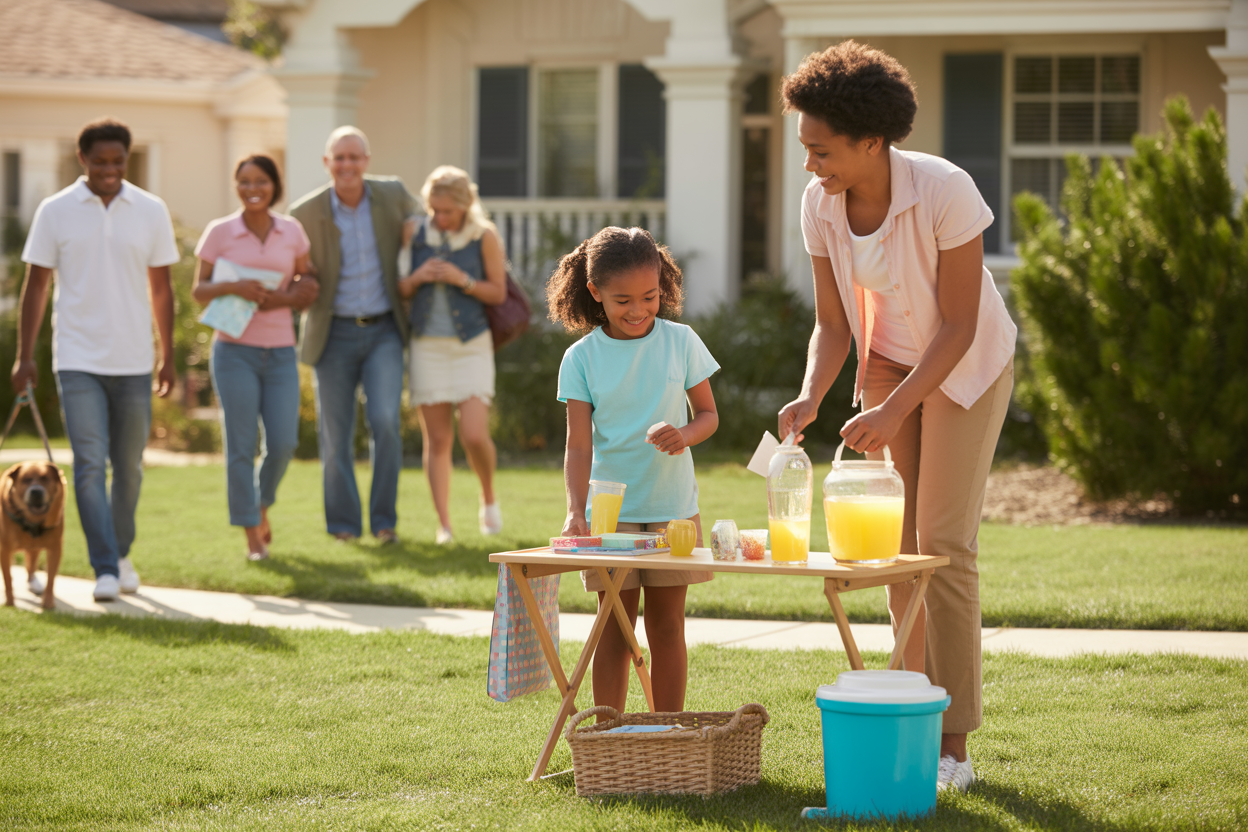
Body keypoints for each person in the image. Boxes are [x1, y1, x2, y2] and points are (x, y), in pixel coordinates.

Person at [776, 41, 1016, 792]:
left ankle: (955, 747)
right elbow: (832, 323)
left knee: (943, 542)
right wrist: (814, 392)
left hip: (964, 363)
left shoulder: (945, 190)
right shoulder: (820, 204)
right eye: (806, 150)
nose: (810, 166)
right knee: (894, 549)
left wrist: (894, 406)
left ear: (872, 140)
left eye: (821, 150)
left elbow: (959, 326)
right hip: (886, 363)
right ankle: (909, 711)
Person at [549, 226, 720, 715]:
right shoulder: (580, 358)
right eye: (623, 299)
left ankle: (668, 729)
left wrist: (684, 434)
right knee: (614, 627)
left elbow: (708, 416)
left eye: (649, 296)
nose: (639, 310)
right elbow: (578, 445)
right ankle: (610, 731)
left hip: (673, 509)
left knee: (667, 627)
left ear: (662, 286)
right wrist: (574, 510)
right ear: (595, 293)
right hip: (610, 516)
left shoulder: (682, 341)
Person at [11, 117, 180, 602]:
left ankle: (121, 552)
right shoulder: (55, 210)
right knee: (89, 465)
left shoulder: (150, 209)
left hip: (132, 360)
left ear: (128, 159)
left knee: (129, 466)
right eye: (100, 161)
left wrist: (167, 355)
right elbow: (36, 286)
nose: (110, 170)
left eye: (119, 161)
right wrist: (26, 356)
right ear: (82, 159)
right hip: (77, 357)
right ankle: (105, 566)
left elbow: (162, 288)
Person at [289, 126, 416, 543]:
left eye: (354, 157)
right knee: (335, 433)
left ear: (367, 160)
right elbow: (290, 268)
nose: (347, 165)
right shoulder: (304, 213)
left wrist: (416, 237)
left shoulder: (393, 194)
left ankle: (384, 523)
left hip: (383, 330)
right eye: (338, 158)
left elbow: (430, 222)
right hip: (334, 333)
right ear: (327, 164)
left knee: (385, 421)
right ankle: (343, 526)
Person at [193, 155, 320, 561]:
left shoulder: (292, 231)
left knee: (283, 442)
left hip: (280, 350)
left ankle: (261, 504)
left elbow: (307, 277)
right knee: (241, 446)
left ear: (274, 185)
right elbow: (199, 290)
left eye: (261, 181)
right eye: (245, 181)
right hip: (233, 352)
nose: (253, 189)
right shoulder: (220, 232)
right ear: (236, 186)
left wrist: (297, 291)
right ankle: (251, 534)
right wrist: (237, 286)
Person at [398, 166, 507, 544]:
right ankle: (444, 524)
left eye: (446, 211)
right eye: (433, 209)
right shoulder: (415, 232)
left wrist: (462, 280)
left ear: (465, 206)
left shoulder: (484, 236)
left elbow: (498, 292)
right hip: (427, 345)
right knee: (438, 440)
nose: (438, 218)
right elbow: (400, 287)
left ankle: (488, 496)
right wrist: (420, 276)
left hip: (471, 344)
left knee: (474, 434)